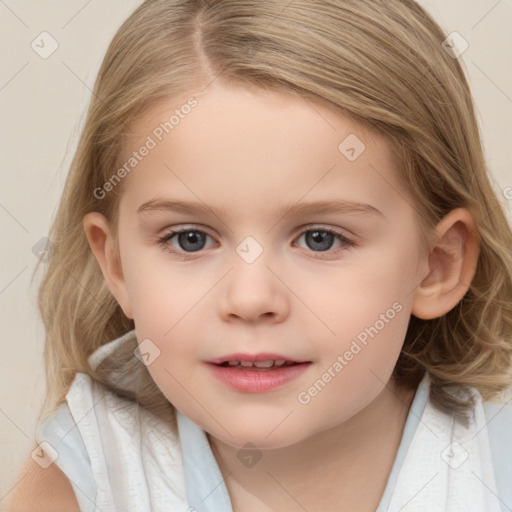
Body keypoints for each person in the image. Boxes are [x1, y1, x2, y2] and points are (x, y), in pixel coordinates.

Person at [5, 0, 512, 511]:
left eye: (321, 238)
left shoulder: (492, 464)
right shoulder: (92, 469)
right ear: (116, 267)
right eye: (190, 239)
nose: (250, 298)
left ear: (438, 266)